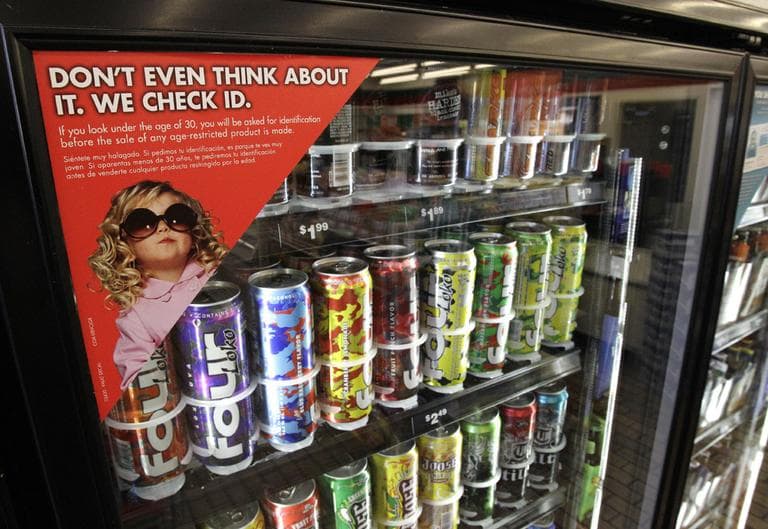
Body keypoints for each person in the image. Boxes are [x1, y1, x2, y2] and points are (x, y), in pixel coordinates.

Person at [89, 180, 227, 389]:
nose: (163, 227)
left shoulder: (216, 270)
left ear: (193, 229)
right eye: (142, 223)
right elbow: (140, 386)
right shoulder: (137, 318)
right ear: (123, 242)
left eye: (177, 217)